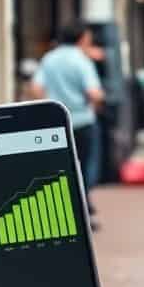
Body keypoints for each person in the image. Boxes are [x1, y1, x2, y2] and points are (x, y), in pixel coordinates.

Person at [33, 22, 104, 227]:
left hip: (56, 122)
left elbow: (37, 88)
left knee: (61, 168)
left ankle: (64, 211)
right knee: (85, 168)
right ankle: (82, 212)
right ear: (82, 38)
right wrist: (96, 103)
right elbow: (94, 93)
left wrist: (49, 105)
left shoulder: (49, 58)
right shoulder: (82, 61)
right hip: (82, 121)